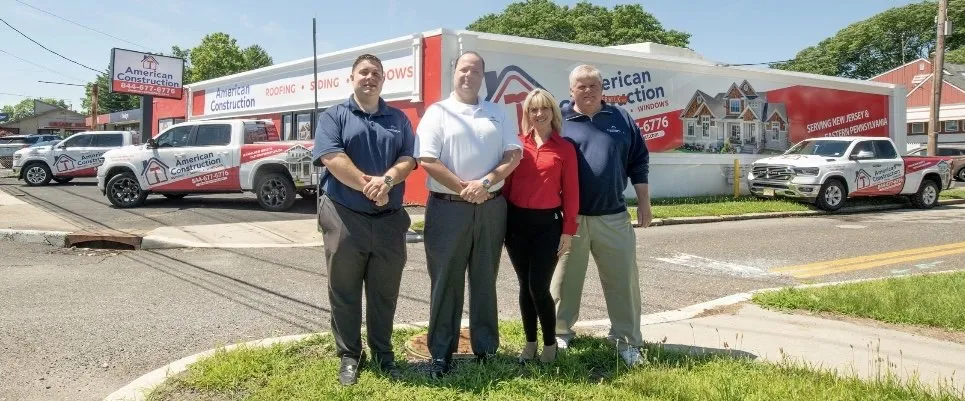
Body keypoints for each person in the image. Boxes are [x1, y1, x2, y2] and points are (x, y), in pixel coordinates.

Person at [415, 51, 522, 378]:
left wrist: (486, 183)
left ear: (482, 76)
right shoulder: (438, 112)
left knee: (484, 279)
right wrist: (465, 188)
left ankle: (487, 349)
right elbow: (427, 159)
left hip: (491, 207)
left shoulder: (498, 112)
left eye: (475, 70)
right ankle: (441, 354)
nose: (468, 75)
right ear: (454, 73)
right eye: (464, 69)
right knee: (446, 282)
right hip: (448, 209)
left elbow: (513, 154)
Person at [312, 54, 417, 386]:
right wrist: (370, 186)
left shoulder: (398, 118)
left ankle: (384, 354)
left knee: (384, 291)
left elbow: (408, 159)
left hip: (388, 218)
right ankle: (349, 355)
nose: (370, 78)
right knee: (344, 289)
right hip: (343, 214)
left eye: (376, 73)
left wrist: (385, 182)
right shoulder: (335, 116)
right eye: (364, 72)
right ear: (352, 78)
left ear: (384, 79)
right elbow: (331, 156)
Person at [551, 64, 652, 367]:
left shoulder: (621, 118)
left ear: (602, 88)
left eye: (594, 85)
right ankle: (559, 334)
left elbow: (639, 160)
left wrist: (644, 203)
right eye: (581, 85)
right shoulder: (559, 119)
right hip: (571, 219)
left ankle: (627, 341)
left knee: (623, 281)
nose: (588, 90)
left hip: (614, 215)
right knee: (564, 281)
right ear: (571, 90)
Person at [502, 89, 579, 364]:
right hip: (517, 225)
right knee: (525, 285)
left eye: (544, 108)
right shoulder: (517, 146)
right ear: (527, 114)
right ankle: (530, 343)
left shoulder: (565, 148)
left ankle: (549, 345)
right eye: (533, 109)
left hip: (549, 225)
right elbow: (506, 187)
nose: (539, 114)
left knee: (538, 286)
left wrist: (569, 231)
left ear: (553, 112)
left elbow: (571, 193)